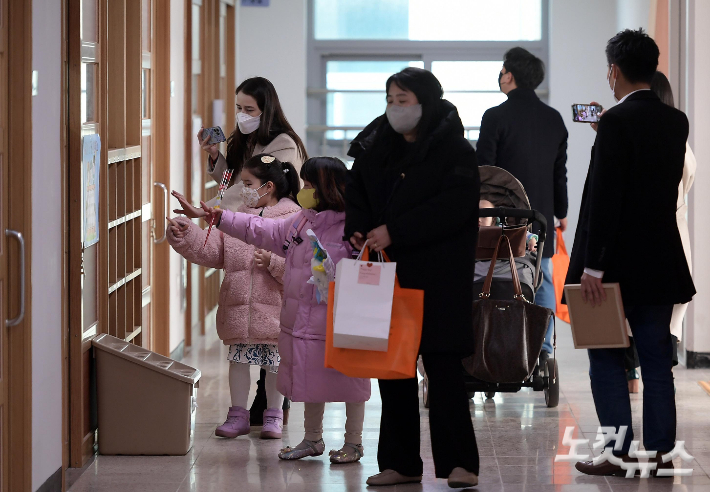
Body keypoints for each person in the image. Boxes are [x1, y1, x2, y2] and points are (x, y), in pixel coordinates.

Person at [566, 29, 695, 476]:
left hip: (611, 266)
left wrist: (594, 265)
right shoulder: (676, 121)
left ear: (614, 71)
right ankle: (661, 454)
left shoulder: (616, 123)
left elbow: (606, 198)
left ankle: (615, 452)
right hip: (660, 261)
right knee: (657, 360)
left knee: (605, 355)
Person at [345, 67, 481, 488]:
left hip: (438, 276)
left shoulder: (454, 150)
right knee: (394, 370)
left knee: (442, 369)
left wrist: (397, 231)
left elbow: (454, 207)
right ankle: (401, 463)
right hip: (389, 275)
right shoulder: (378, 145)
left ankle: (460, 463)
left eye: (402, 100)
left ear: (425, 102)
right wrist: (359, 224)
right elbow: (359, 192)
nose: (394, 109)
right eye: (390, 100)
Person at [199, 156, 371, 464]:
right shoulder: (302, 220)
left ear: (328, 188)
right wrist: (220, 217)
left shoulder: (353, 225)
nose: (304, 191)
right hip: (305, 320)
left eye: (309, 185)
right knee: (312, 379)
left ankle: (354, 443)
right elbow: (260, 229)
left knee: (352, 382)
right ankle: (312, 439)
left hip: (343, 320)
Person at [173, 76, 307, 425]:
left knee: (274, 348)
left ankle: (274, 409)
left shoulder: (283, 145)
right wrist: (216, 155)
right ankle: (252, 410)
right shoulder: (243, 140)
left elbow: (251, 190)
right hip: (240, 234)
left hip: (263, 232)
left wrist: (211, 213)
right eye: (239, 108)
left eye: (250, 109)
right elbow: (234, 183)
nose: (242, 115)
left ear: (267, 110)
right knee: (246, 347)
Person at [167, 155, 301, 440]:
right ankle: (237, 415)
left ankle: (274, 417)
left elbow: (303, 267)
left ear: (268, 186)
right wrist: (187, 234)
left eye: (248, 183)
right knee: (239, 360)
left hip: (277, 311)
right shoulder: (238, 217)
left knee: (275, 364)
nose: (243, 189)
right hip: (239, 309)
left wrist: (275, 264)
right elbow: (213, 250)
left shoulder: (293, 218)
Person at [476, 47, 569, 361]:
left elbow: (484, 172)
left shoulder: (495, 116)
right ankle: (543, 350)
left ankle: (488, 342)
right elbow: (560, 173)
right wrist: (562, 213)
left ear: (509, 75)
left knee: (491, 275)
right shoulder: (554, 119)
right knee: (540, 277)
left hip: (502, 217)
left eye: (502, 71)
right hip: (541, 215)